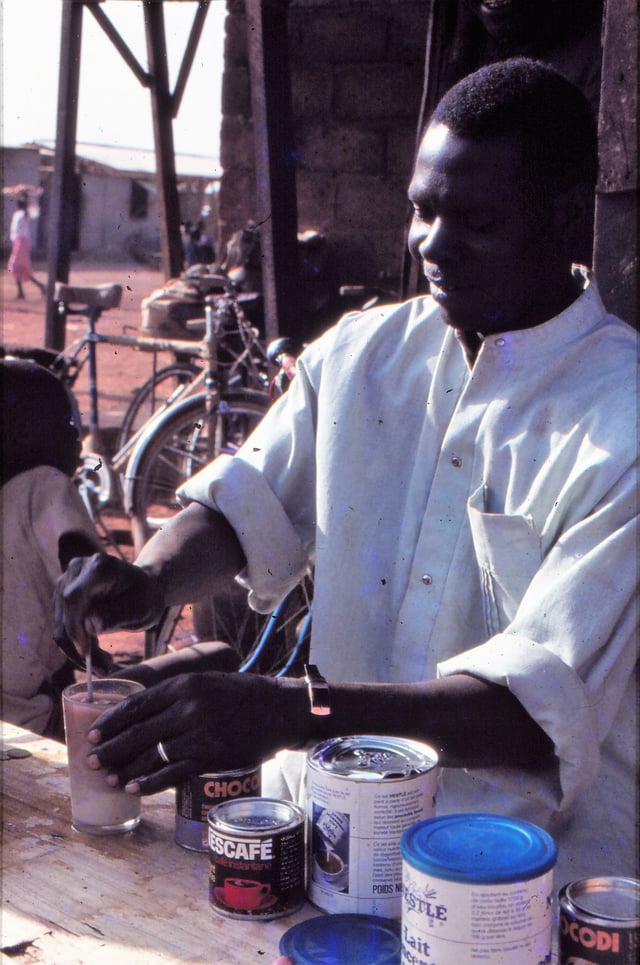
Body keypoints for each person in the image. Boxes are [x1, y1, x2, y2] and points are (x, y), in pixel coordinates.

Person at [54, 59, 638, 887]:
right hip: (327, 856)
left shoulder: (623, 419)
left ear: (565, 218)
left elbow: (531, 713)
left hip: (522, 884)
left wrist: (293, 710)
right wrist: (148, 580)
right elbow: (248, 501)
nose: (432, 244)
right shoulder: (364, 354)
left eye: (473, 219)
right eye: (422, 210)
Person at [1, 358, 239, 738]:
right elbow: (77, 558)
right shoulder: (44, 485)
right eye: (70, 427)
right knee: (220, 657)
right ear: (27, 433)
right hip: (29, 728)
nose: (79, 443)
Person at [7, 198, 46, 299]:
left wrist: (27, 198)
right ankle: (37, 287)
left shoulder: (24, 214)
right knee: (19, 268)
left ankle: (29, 290)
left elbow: (29, 213)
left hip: (22, 242)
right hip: (18, 241)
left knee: (16, 265)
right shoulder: (18, 214)